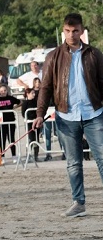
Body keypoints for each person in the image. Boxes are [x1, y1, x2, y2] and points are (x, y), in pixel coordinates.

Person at [34, 13, 103, 218]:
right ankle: (78, 203)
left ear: (82, 31)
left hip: (94, 114)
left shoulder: (94, 54)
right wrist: (39, 113)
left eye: (75, 31)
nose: (71, 34)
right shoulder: (53, 57)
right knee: (73, 162)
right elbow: (45, 88)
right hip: (66, 116)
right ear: (63, 30)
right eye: (67, 30)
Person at [0, 84, 21, 162]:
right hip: (1, 121)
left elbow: (20, 102)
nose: (3, 92)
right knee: (2, 139)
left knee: (11, 139)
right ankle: (2, 157)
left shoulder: (11, 98)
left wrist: (15, 107)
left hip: (11, 120)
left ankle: (14, 156)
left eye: (5, 90)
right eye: (1, 91)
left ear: (7, 91)